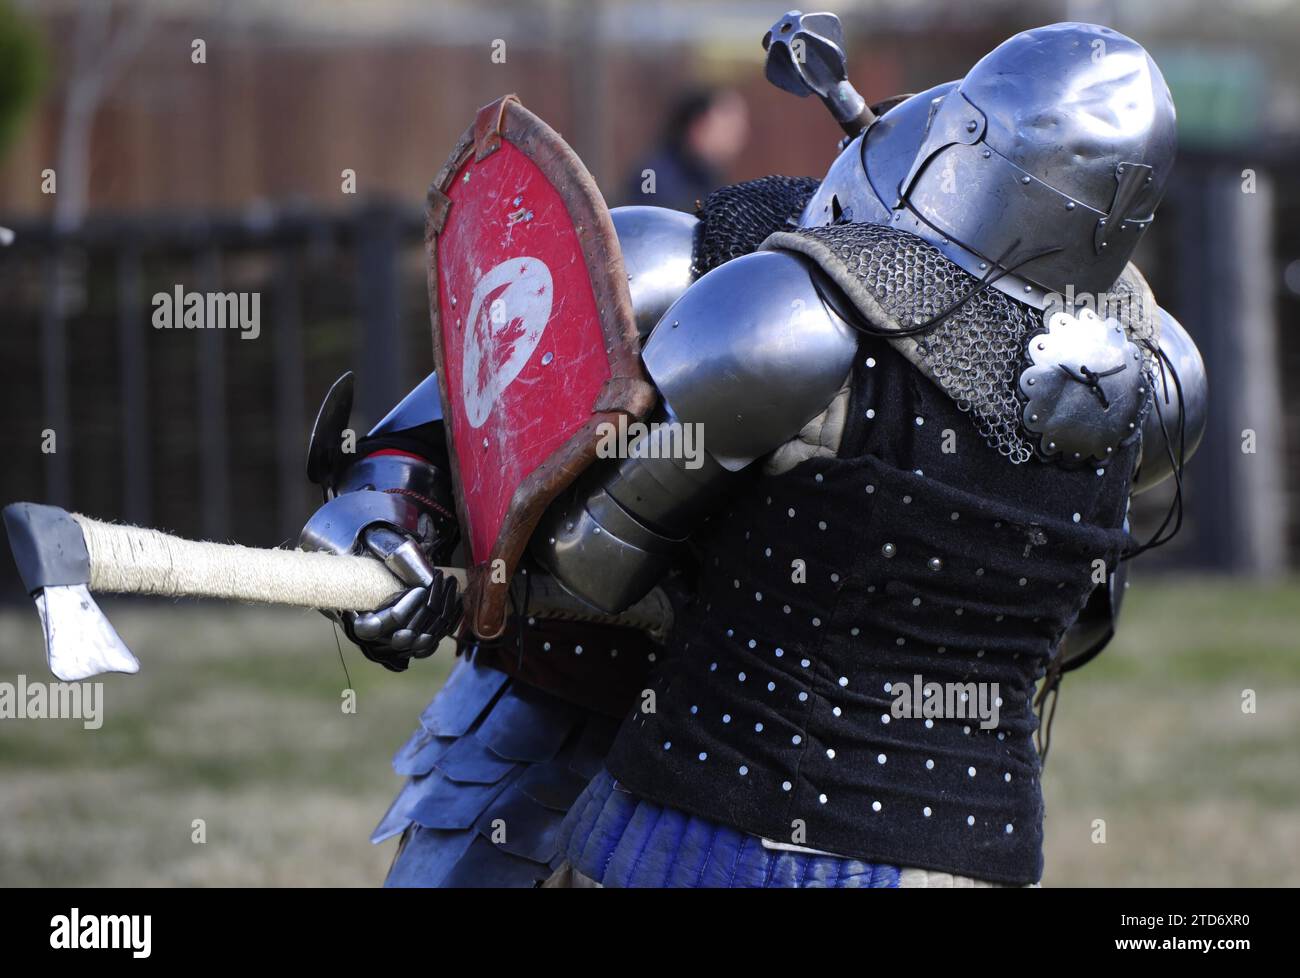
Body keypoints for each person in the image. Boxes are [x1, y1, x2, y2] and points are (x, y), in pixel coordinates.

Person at [303, 21, 1206, 888]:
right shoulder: (684, 267)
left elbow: (1067, 625)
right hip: (575, 711)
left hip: (819, 801)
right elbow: (448, 424)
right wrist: (386, 533)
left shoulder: (1117, 377)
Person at [622, 88, 749, 212]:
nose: (737, 136)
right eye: (727, 127)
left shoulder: (711, 178)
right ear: (697, 126)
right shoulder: (652, 176)